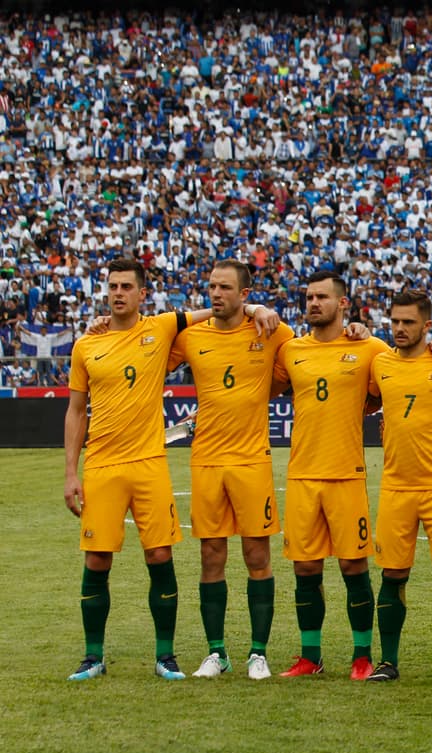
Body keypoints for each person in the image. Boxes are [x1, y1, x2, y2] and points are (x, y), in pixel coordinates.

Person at [64, 256, 277, 681]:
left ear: (143, 294)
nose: (118, 293)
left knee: (162, 554)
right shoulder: (88, 343)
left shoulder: (162, 328)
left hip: (152, 463)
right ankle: (93, 657)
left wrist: (256, 309)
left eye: (127, 286)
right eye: (113, 286)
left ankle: (169, 656)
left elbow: (224, 310)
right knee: (96, 560)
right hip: (103, 465)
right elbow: (75, 411)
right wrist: (71, 472)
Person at [167, 259, 294, 681]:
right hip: (205, 461)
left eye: (225, 288)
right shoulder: (189, 337)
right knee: (210, 557)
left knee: (257, 555)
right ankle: (216, 652)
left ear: (244, 293)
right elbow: (144, 342)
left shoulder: (271, 332)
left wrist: (259, 311)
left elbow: (301, 360)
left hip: (252, 460)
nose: (215, 294)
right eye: (211, 286)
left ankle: (258, 653)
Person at [273, 270, 391, 680]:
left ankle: (362, 655)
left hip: (346, 474)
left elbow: (382, 393)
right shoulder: (290, 350)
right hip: (303, 475)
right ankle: (310, 656)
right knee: (305, 569)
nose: (313, 303)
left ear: (342, 303)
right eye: (308, 297)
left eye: (322, 297)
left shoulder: (370, 348)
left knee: (353, 567)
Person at [366, 289, 432, 684]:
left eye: (409, 322)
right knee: (392, 575)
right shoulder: (379, 363)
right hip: (395, 487)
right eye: (394, 321)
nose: (400, 329)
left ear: (428, 326)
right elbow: (369, 399)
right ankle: (387, 661)